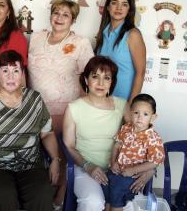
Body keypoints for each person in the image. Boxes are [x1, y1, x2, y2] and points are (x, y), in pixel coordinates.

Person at [0, 50, 60, 211]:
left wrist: (56, 159)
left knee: (42, 193)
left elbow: (47, 133)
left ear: (22, 74)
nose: (10, 76)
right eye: (5, 71)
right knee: (3, 195)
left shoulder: (34, 99)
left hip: (30, 164)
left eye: (16, 71)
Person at [62, 56, 154, 211]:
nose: (100, 83)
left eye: (107, 78)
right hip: (85, 168)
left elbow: (144, 137)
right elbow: (69, 146)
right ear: (86, 80)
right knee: (93, 202)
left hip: (119, 169)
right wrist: (88, 166)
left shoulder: (121, 105)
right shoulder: (73, 108)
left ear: (112, 82)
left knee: (129, 205)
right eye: (95, 76)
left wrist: (149, 169)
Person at [28, 0, 93, 208]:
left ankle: (59, 198)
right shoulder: (36, 38)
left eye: (66, 14)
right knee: (36, 155)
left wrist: (83, 111)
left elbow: (89, 78)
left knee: (63, 158)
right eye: (56, 12)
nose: (59, 17)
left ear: (73, 19)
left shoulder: (81, 43)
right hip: (36, 110)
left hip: (66, 112)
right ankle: (38, 195)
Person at [104, 94, 165, 211]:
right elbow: (116, 146)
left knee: (117, 190)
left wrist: (133, 170)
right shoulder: (126, 128)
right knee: (106, 185)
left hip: (133, 176)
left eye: (145, 114)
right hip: (117, 170)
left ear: (153, 117)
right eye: (136, 113)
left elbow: (155, 162)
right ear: (131, 113)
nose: (140, 117)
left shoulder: (153, 138)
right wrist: (113, 162)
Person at [94, 0, 146, 101]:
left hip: (123, 101)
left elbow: (140, 73)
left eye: (124, 4)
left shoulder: (133, 34)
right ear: (107, 7)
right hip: (102, 100)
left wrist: (131, 105)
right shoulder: (102, 34)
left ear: (129, 9)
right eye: (114, 3)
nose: (119, 8)